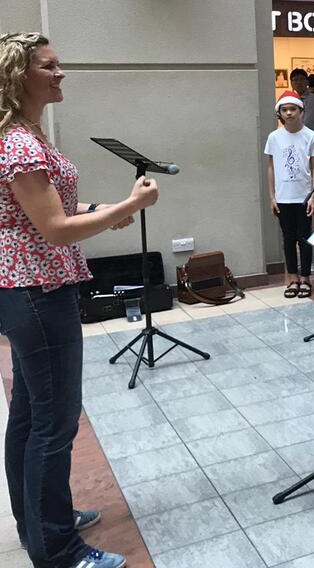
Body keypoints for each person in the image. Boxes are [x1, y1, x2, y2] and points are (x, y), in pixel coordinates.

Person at [1, 31, 159, 568]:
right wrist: (127, 208)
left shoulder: (24, 134)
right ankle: (59, 552)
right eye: (49, 66)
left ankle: (39, 524)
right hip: (37, 290)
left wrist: (106, 208)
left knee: (30, 415)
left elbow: (52, 209)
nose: (60, 73)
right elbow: (54, 229)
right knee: (54, 422)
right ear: (19, 75)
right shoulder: (20, 144)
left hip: (29, 288)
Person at [264, 90, 314, 298]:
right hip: (283, 197)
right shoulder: (274, 137)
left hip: (303, 196)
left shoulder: (310, 136)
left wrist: (313, 195)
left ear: (301, 111)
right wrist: (272, 196)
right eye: (285, 110)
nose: (289, 113)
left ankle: (305, 278)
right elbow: (271, 167)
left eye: (293, 109)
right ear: (279, 113)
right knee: (287, 239)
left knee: (304, 237)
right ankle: (292, 278)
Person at [289, 67, 314, 141]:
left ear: (307, 82)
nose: (299, 82)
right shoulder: (295, 99)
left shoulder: (312, 99)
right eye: (295, 80)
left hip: (310, 140)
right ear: (291, 83)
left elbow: (308, 123)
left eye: (302, 79)